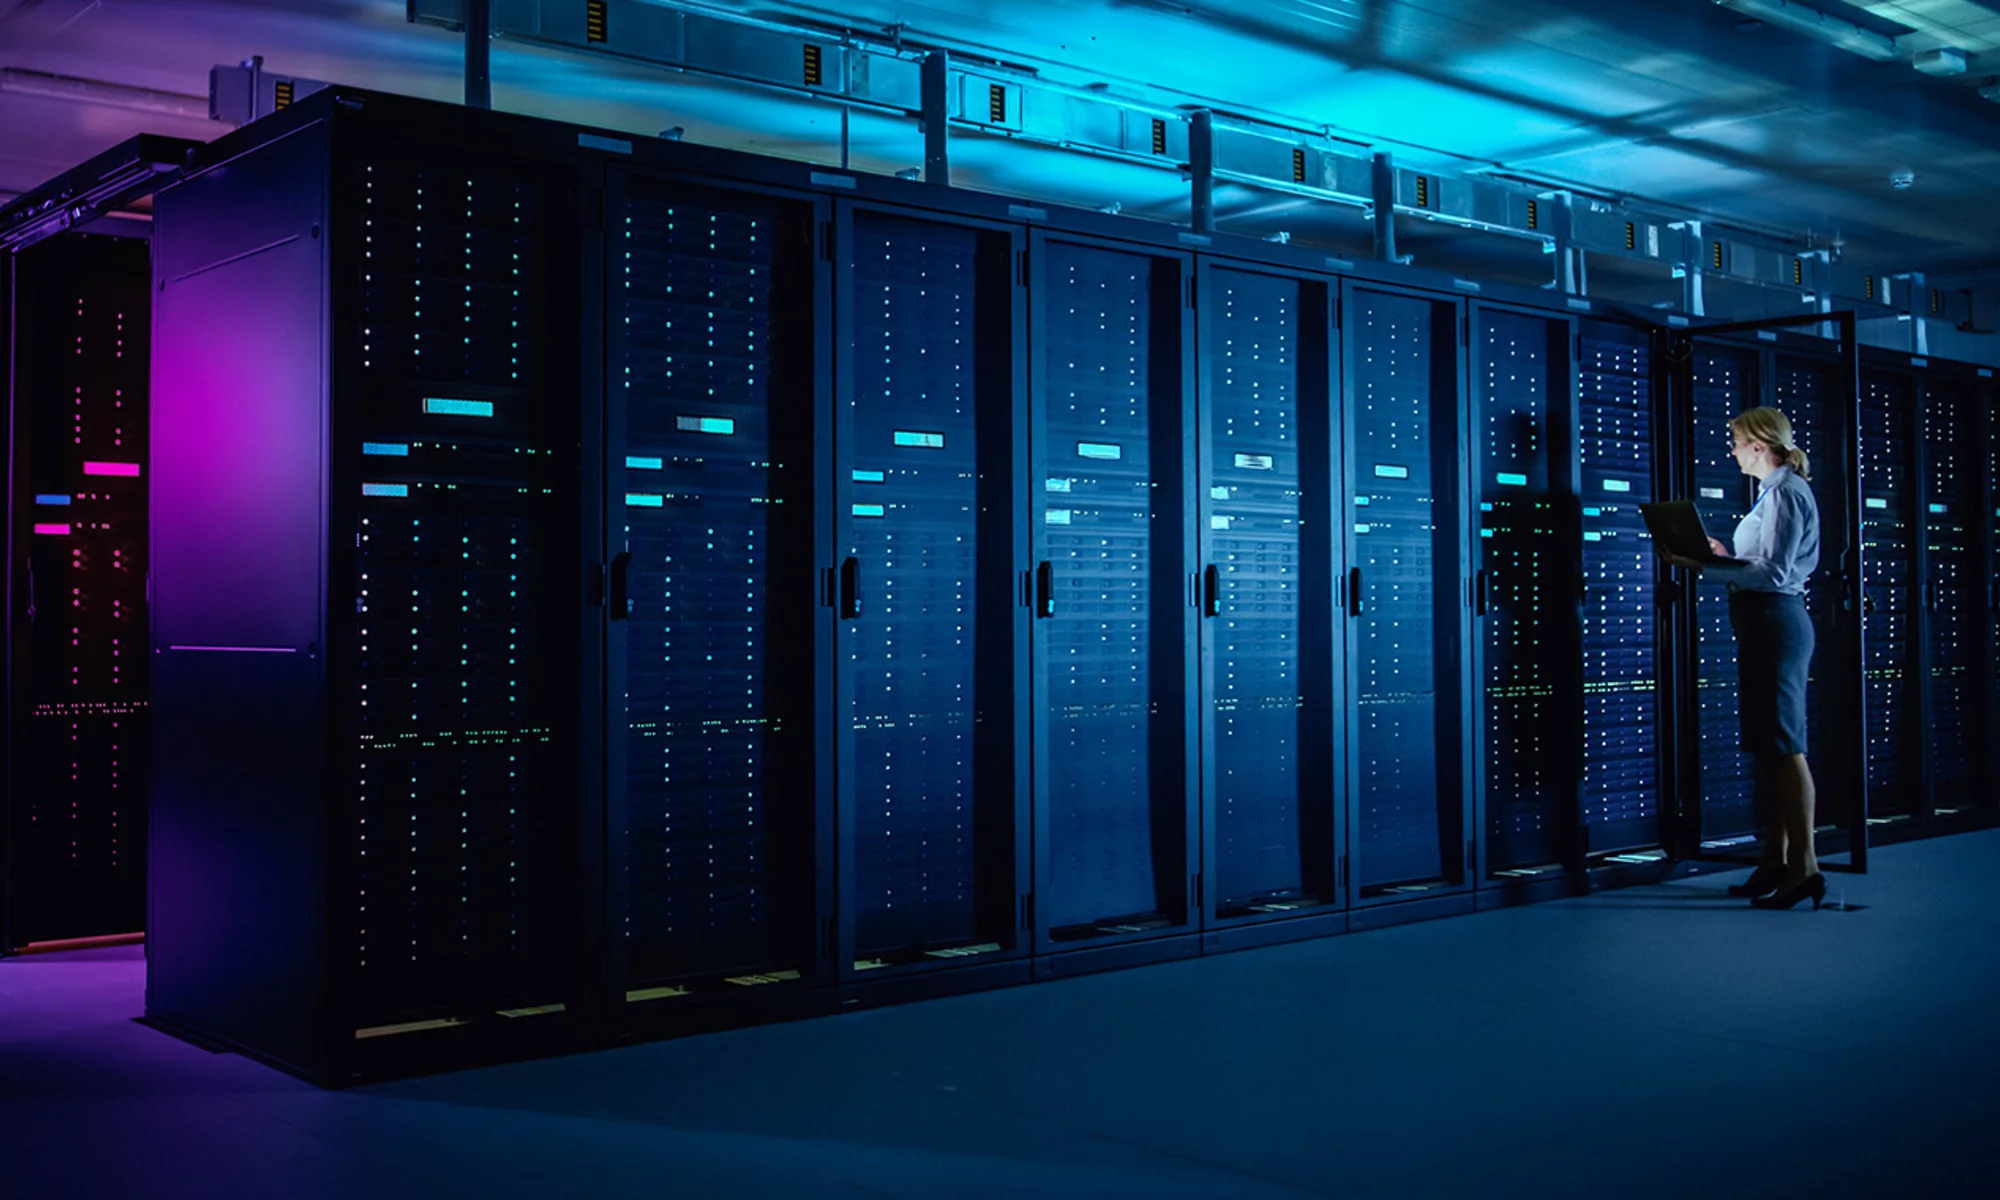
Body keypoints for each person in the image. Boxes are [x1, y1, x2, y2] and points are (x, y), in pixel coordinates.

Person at [1656, 407, 1826, 910]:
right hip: (1763, 622)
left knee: (1785, 745)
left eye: (1734, 442)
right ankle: (1777, 861)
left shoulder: (1787, 493)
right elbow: (1764, 562)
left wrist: (1701, 566)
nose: (1730, 451)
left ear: (1758, 444)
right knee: (1771, 748)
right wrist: (1723, 554)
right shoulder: (1773, 494)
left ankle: (1806, 868)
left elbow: (1774, 574)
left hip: (1776, 620)